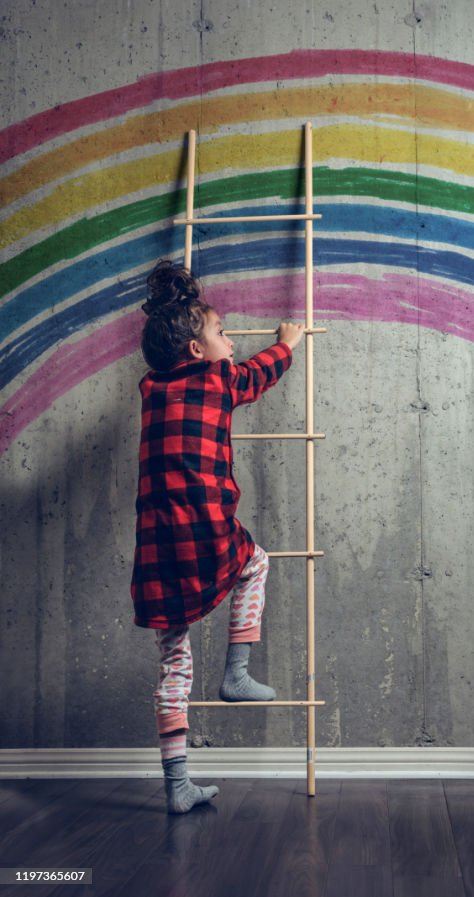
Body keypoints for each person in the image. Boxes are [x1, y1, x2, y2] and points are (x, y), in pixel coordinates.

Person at [131, 259, 303, 814]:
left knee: (173, 662)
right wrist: (287, 342)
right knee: (256, 563)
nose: (231, 341)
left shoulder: (150, 388)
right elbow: (256, 375)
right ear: (199, 353)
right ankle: (237, 672)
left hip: (157, 546)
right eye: (223, 333)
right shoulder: (220, 378)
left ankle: (177, 786)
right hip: (206, 529)